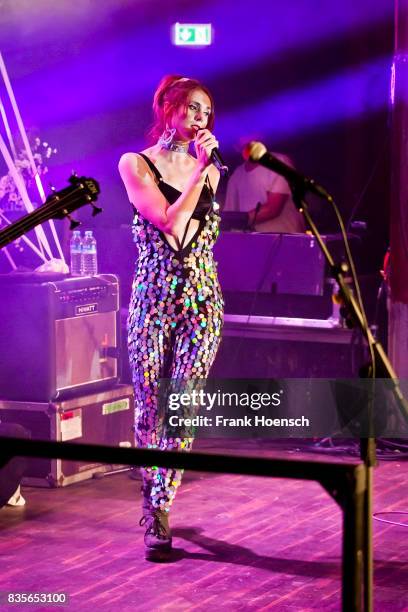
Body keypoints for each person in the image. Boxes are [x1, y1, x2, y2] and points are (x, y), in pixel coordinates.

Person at [118, 75, 224, 561]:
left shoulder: (214, 170)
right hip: (153, 295)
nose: (200, 116)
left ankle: (159, 507)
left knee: (184, 404)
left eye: (206, 110)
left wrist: (205, 171)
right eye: (192, 107)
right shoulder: (136, 164)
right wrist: (199, 174)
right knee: (148, 404)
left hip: (202, 298)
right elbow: (170, 225)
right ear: (168, 107)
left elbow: (198, 243)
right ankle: (153, 492)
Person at [224, 152, 305, 233]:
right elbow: (230, 218)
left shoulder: (279, 162)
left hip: (288, 242)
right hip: (252, 244)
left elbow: (273, 209)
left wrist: (239, 220)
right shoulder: (236, 175)